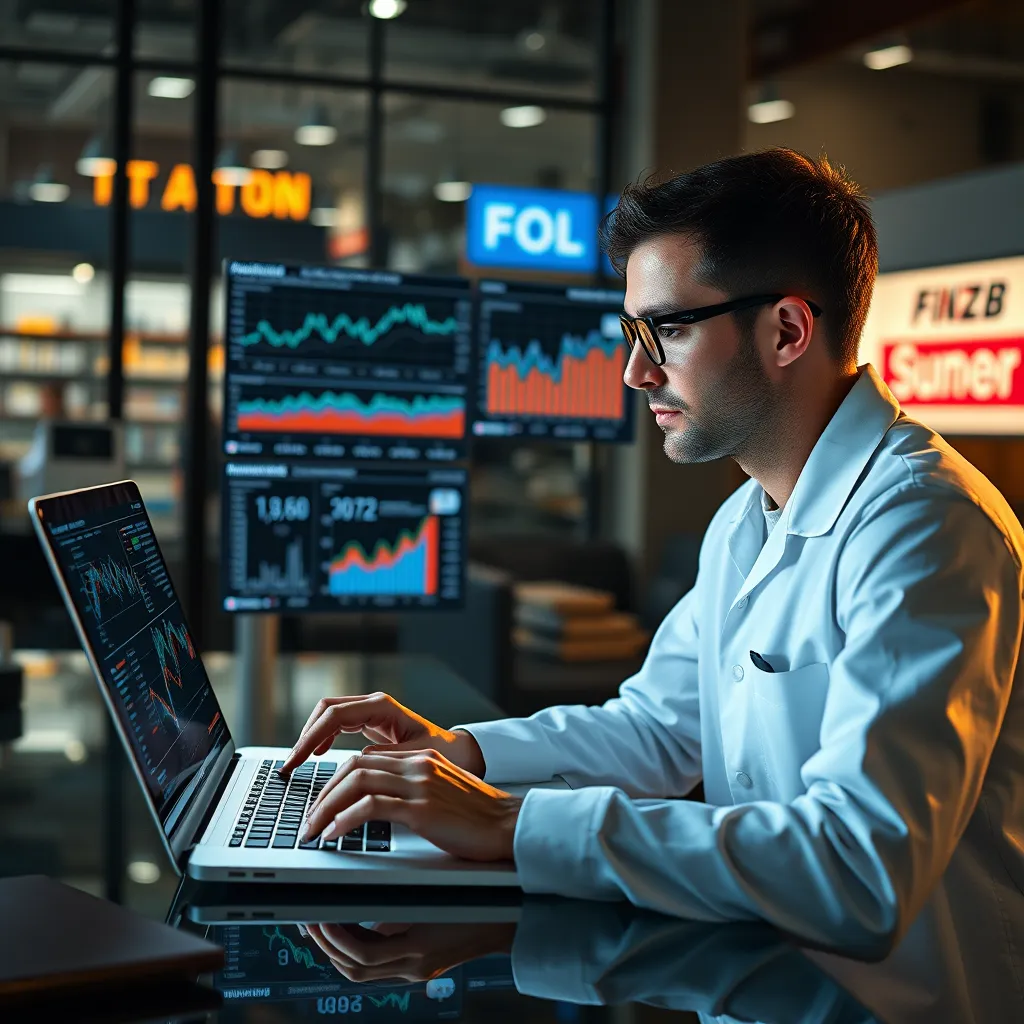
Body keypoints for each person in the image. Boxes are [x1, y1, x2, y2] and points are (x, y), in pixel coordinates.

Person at [281, 150, 1024, 977]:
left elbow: (857, 869)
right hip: (765, 975)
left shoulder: (924, 524)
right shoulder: (745, 519)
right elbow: (661, 730)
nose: (636, 371)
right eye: (637, 333)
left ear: (786, 329)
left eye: (667, 329)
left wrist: (508, 825)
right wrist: (460, 755)